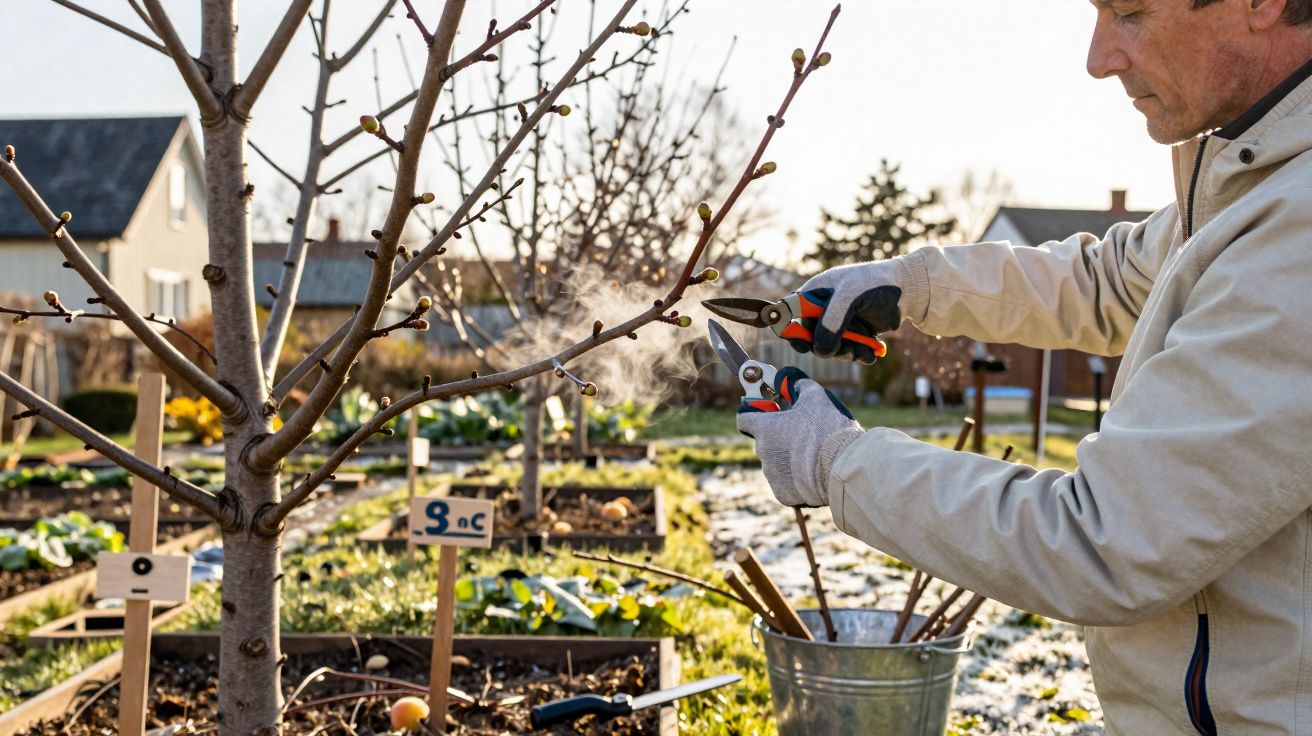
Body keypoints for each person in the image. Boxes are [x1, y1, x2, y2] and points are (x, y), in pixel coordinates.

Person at [736, 1, 1312, 734]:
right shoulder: (1255, 180)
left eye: (1131, 13)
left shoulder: (1300, 230)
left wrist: (837, 462)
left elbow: (1104, 543)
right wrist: (915, 286)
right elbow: (1110, 279)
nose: (1098, 56)